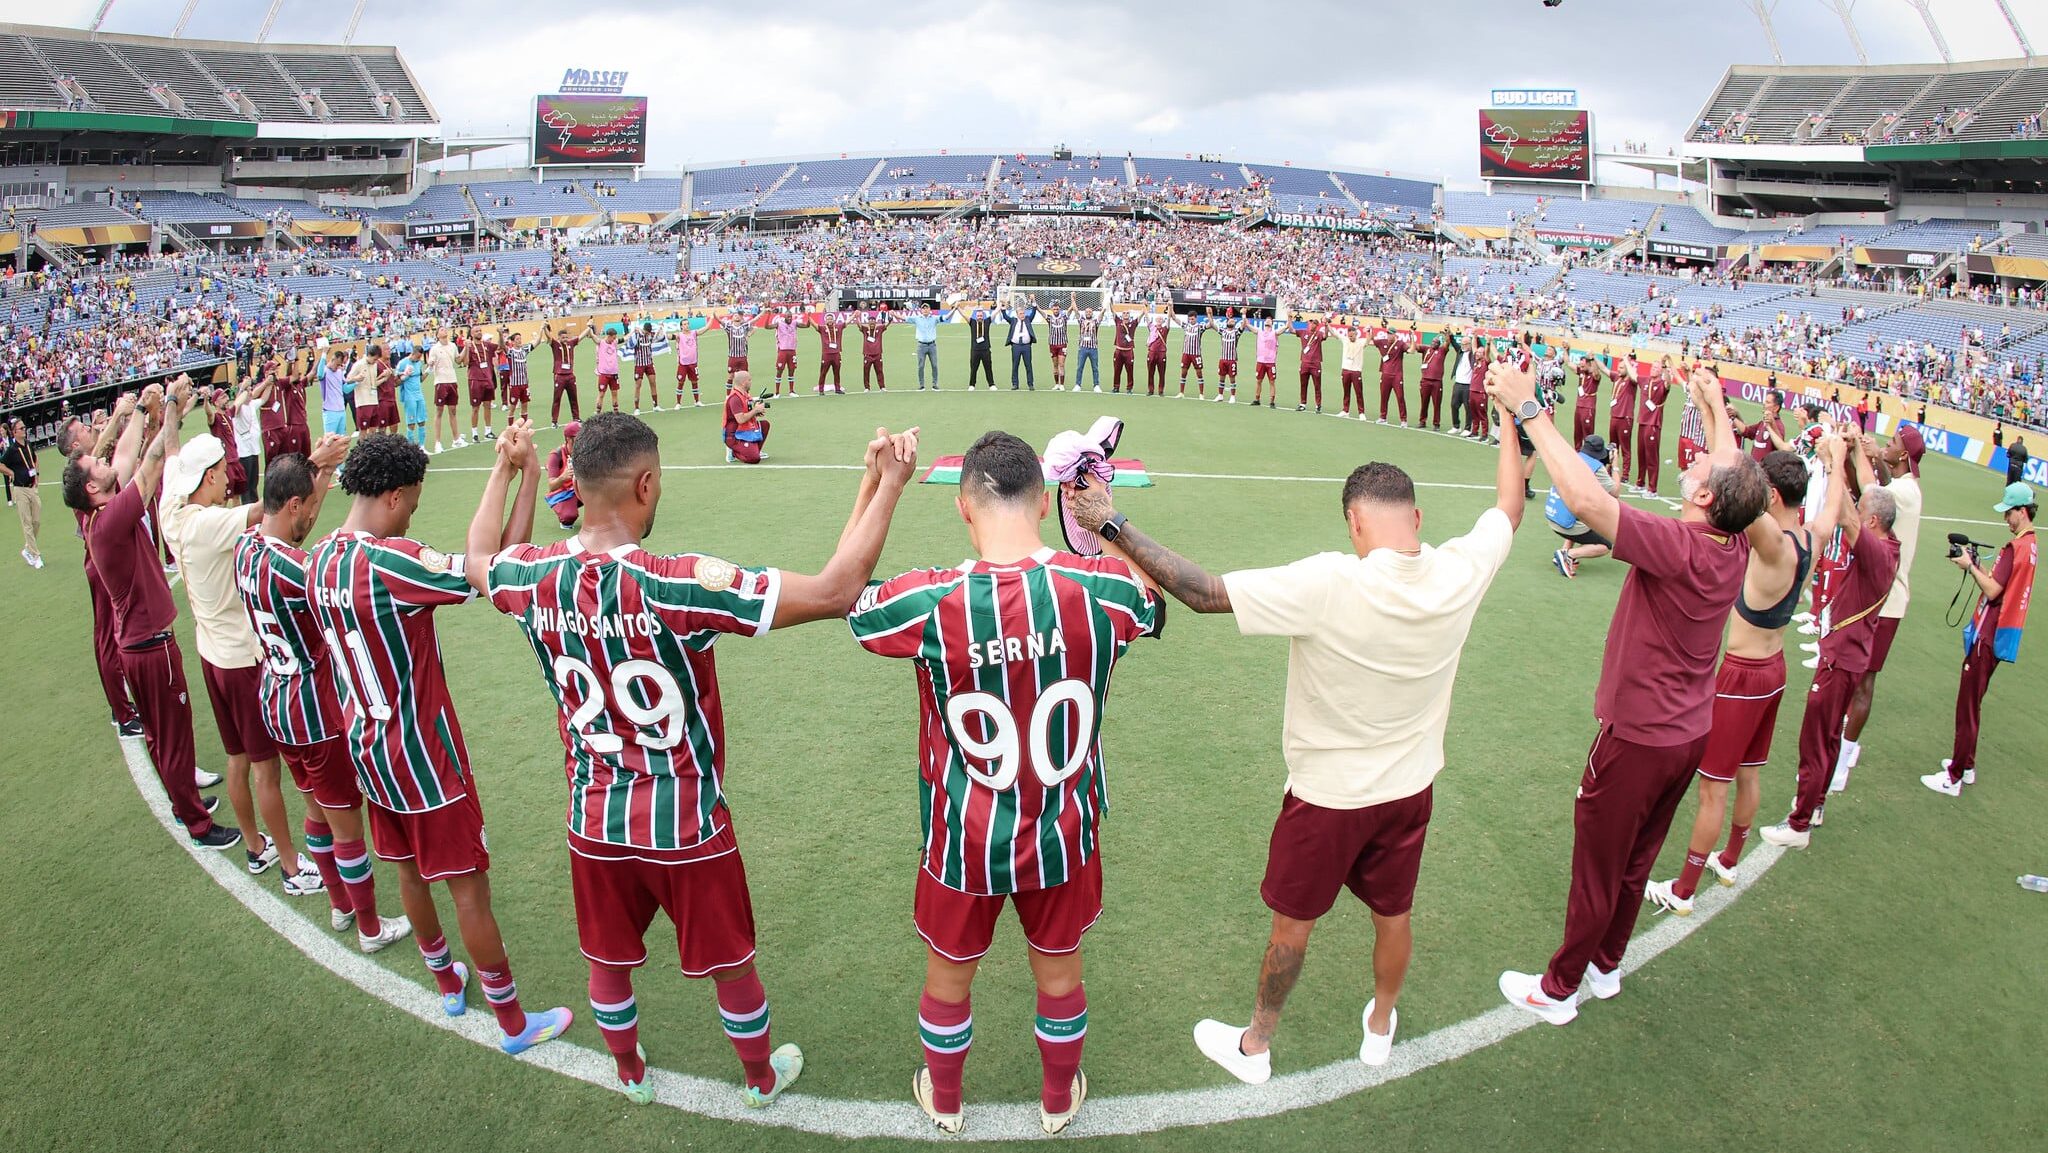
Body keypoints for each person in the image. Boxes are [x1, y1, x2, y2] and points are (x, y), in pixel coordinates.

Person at [473, 412, 920, 1105]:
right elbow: (836, 590)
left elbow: (482, 559)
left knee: (607, 959)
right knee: (731, 962)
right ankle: (759, 1076)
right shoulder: (679, 582)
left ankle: (629, 1071)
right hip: (685, 825)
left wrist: (514, 470)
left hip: (593, 819)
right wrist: (888, 481)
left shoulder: (530, 575)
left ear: (579, 483)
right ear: (646, 483)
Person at [1073, 407, 1524, 1085]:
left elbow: (1202, 593)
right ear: (1418, 518)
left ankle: (1257, 1044)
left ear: (1354, 522)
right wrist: (1516, 418)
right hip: (1410, 791)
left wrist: (1111, 522)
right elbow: (1509, 505)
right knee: (1393, 914)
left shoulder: (1331, 581)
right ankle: (1380, 1025)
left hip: (1328, 799)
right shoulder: (1461, 569)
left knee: (1293, 926)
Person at [848, 431, 1164, 1136]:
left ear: (964, 507)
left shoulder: (931, 597)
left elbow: (846, 593)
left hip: (966, 838)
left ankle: (949, 1099)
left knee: (949, 978)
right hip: (1062, 835)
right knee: (1059, 975)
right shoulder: (1102, 590)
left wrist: (879, 485)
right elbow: (1149, 599)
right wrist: (1103, 522)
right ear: (1049, 507)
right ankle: (1057, 1102)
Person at [1491, 362, 1768, 1025]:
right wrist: (1712, 402)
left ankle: (1559, 990)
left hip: (1639, 737)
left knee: (1598, 860)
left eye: (1701, 464)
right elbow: (1731, 468)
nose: (1697, 457)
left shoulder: (1679, 544)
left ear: (1705, 498)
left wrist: (1530, 410)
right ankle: (1606, 963)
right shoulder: (1729, 540)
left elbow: (1586, 502)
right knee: (1638, 855)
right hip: (1685, 733)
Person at [305, 432, 574, 1055]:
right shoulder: (392, 561)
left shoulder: (318, 559)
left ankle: (446, 980)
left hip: (367, 750)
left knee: (408, 874)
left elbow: (495, 560)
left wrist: (525, 476)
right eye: (415, 503)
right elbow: (488, 567)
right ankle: (512, 1023)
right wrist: (506, 473)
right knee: (468, 889)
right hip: (424, 757)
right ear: (395, 496)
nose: (415, 515)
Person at [235, 445, 412, 952]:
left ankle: (338, 904)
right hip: (314, 709)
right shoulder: (297, 568)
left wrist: (322, 469)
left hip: (274, 697)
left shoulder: (246, 547)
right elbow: (335, 590)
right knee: (344, 822)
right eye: (309, 508)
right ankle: (371, 927)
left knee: (315, 808)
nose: (313, 517)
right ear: (292, 505)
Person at [63, 378, 240, 850]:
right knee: (174, 736)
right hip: (150, 646)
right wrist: (166, 411)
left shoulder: (94, 514)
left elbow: (122, 459)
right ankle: (197, 822)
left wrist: (144, 410)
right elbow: (150, 463)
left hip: (137, 643)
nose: (104, 461)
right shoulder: (114, 518)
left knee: (164, 738)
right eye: (95, 464)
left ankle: (184, 803)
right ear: (92, 486)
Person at [1644, 445, 1810, 914]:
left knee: (1713, 787)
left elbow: (1736, 490)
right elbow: (1834, 500)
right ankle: (1730, 858)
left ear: (1770, 494)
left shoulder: (1772, 543)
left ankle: (1683, 891)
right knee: (1750, 772)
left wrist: (1717, 412)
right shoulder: (1810, 538)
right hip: (1774, 669)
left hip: (1743, 675)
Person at [164, 432, 330, 891]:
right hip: (240, 658)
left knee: (237, 759)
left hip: (210, 653)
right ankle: (292, 867)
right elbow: (270, 512)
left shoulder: (173, 517)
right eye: (220, 472)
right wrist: (313, 463)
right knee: (264, 768)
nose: (226, 479)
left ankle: (257, 846)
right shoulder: (208, 523)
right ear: (209, 476)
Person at [1760, 434, 1899, 849]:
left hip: (1841, 655)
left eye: (1863, 510)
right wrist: (1854, 453)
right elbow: (1863, 501)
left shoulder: (1875, 551)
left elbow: (1847, 516)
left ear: (1873, 521)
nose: (1855, 509)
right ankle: (1815, 805)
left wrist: (1836, 459)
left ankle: (1799, 822)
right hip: (1850, 652)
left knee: (1815, 738)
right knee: (1829, 736)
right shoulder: (1888, 544)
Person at [1923, 481, 2036, 796]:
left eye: (2009, 513)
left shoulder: (2017, 548)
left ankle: (1954, 777)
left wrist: (1970, 567)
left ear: (2022, 511)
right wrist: (1979, 565)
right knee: (1973, 701)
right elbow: (2001, 582)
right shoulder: (2029, 545)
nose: (2006, 519)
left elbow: (1993, 590)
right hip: (2001, 631)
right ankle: (1966, 766)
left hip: (1990, 632)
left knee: (1968, 705)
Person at [1837, 426, 1924, 790]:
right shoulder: (1906, 486)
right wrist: (1871, 454)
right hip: (1882, 595)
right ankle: (1844, 745)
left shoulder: (1902, 492)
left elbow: (1872, 491)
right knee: (1856, 676)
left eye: (1891, 444)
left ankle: (1843, 757)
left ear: (1903, 455)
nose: (1885, 445)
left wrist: (1860, 450)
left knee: (1862, 680)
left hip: (1886, 600)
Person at [61, 412, 143, 736]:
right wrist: (125, 411)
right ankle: (122, 713)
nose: (88, 428)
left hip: (101, 558)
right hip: (100, 562)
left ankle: (119, 705)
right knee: (108, 637)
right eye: (82, 429)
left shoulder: (84, 471)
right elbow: (108, 442)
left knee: (109, 635)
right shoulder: (81, 471)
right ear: (77, 445)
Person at [1548, 435, 1623, 579]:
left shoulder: (1572, 458)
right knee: (1605, 545)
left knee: (1583, 509)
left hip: (1553, 515)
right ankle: (1568, 554)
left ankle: (1564, 550)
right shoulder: (1596, 468)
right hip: (1566, 524)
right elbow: (1615, 491)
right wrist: (1615, 466)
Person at [2, 419, 42, 568]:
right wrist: (11, 472)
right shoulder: (12, 450)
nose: (24, 430)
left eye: (25, 427)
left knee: (36, 521)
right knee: (27, 523)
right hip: (20, 489)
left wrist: (36, 474)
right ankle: (36, 555)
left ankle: (27, 549)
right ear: (15, 432)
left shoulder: (28, 445)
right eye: (21, 428)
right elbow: (1, 463)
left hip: (32, 487)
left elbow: (35, 459)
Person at [1632, 360, 1674, 494]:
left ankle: (1652, 488)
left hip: (1653, 423)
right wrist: (1627, 360)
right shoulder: (1646, 380)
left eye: (1657, 368)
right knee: (1641, 454)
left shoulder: (1662, 384)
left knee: (1651, 457)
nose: (1653, 369)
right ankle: (1640, 483)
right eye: (1653, 366)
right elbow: (1634, 376)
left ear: (1661, 370)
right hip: (1643, 422)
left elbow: (1668, 382)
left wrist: (1666, 367)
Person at [543, 321, 585, 429]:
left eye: (566, 337)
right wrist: (544, 328)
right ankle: (554, 421)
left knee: (574, 398)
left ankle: (576, 418)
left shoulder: (571, 344)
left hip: (570, 375)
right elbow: (549, 337)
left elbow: (581, 336)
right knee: (557, 399)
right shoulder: (556, 345)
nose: (565, 339)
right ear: (559, 338)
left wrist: (589, 327)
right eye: (563, 337)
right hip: (560, 376)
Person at [724, 372, 770, 464]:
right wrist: (755, 410)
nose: (751, 382)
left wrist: (756, 412)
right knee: (754, 459)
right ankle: (733, 451)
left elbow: (746, 413)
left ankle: (754, 450)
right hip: (734, 434)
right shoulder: (735, 398)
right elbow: (740, 419)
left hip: (745, 430)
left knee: (764, 425)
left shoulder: (745, 394)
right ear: (743, 383)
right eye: (749, 380)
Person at [1606, 351, 1639, 482]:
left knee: (1625, 448)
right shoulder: (1617, 379)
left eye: (1621, 368)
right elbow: (1605, 370)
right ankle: (1610, 468)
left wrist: (1626, 360)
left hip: (1625, 417)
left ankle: (1625, 474)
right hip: (1614, 416)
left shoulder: (1631, 381)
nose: (1618, 370)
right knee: (1613, 446)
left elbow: (1633, 375)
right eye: (1618, 367)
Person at [426, 329, 461, 452]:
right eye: (441, 330)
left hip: (452, 380)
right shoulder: (434, 348)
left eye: (444, 329)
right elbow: (430, 363)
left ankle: (456, 439)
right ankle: (437, 442)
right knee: (439, 411)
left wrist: (466, 348)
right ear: (437, 335)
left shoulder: (452, 345)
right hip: (441, 381)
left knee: (453, 410)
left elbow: (458, 360)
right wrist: (430, 364)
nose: (444, 330)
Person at [462, 330, 499, 442]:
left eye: (480, 331)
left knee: (487, 405)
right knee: (475, 407)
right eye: (476, 331)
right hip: (475, 379)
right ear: (472, 334)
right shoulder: (470, 346)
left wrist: (501, 334)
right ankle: (474, 434)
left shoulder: (487, 345)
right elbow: (465, 362)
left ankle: (488, 431)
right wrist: (467, 348)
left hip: (487, 378)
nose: (479, 332)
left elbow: (500, 346)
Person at [1372, 322, 1411, 425]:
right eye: (1388, 333)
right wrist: (1370, 330)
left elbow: (1411, 351)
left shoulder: (1400, 344)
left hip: (1397, 375)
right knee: (1384, 397)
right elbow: (1372, 340)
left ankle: (1403, 420)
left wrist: (1412, 338)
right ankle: (1383, 417)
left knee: (1400, 397)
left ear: (1395, 335)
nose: (1389, 335)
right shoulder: (1382, 342)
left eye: (1391, 334)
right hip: (1385, 374)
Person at [545, 422, 582, 528]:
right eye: (577, 437)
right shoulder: (556, 455)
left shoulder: (585, 451)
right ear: (568, 439)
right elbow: (552, 486)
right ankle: (564, 513)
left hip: (581, 488)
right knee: (568, 517)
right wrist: (563, 477)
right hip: (563, 493)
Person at [1001, 298, 1039, 391]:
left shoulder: (1028, 319)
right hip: (1016, 346)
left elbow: (1034, 311)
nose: (1023, 315)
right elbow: (1005, 316)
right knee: (1015, 365)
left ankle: (1030, 384)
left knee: (1028, 365)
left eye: (1023, 313)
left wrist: (1033, 301)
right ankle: (1015, 384)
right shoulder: (1013, 321)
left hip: (1026, 346)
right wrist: (1003, 306)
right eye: (1021, 314)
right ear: (1017, 315)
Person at [1334, 321, 1369, 419]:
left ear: (1356, 334)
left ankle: (1361, 413)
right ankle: (1345, 410)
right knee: (1346, 391)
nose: (1350, 338)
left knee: (1358, 392)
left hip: (1356, 370)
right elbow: (1334, 333)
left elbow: (1368, 340)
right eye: (1349, 336)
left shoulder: (1361, 342)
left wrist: (1369, 331)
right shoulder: (1345, 340)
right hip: (1345, 369)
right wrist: (1327, 324)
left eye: (1352, 336)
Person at [1417, 328, 1450, 430]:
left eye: (1436, 342)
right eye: (1432, 342)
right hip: (1425, 380)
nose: (1433, 343)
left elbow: (1447, 342)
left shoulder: (1442, 351)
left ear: (1439, 344)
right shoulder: (1426, 349)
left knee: (1436, 404)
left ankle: (1436, 423)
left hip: (1437, 381)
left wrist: (1446, 334)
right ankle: (1422, 421)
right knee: (1424, 402)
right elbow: (1416, 347)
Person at [1572, 351, 1605, 448]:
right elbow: (1569, 364)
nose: (1580, 367)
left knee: (1588, 434)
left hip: (1588, 407)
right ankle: (1577, 453)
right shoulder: (1582, 373)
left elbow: (1596, 372)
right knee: (1577, 433)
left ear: (1588, 364)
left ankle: (1588, 454)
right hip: (1579, 406)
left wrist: (1592, 358)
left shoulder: (1595, 376)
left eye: (1583, 365)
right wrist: (1566, 350)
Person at [319, 349, 351, 440]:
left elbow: (345, 389)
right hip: (330, 411)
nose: (338, 367)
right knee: (330, 440)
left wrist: (356, 382)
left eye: (340, 365)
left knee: (341, 440)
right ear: (333, 359)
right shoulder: (325, 371)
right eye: (337, 364)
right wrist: (324, 354)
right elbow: (319, 374)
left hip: (341, 410)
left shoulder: (339, 372)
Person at [1296, 317, 1327, 412]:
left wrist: (1326, 325)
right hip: (1304, 363)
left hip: (1315, 363)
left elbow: (1325, 336)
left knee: (1317, 385)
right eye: (1310, 323)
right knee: (1303, 385)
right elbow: (1292, 330)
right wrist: (1289, 318)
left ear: (1316, 325)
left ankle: (1318, 405)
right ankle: (1302, 403)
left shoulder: (1319, 334)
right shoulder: (1303, 332)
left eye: (1313, 323)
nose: (1311, 325)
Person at [674, 314, 703, 407]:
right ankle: (678, 403)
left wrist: (711, 319)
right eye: (684, 324)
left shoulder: (693, 333)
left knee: (695, 382)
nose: (686, 325)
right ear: (681, 326)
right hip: (683, 363)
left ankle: (697, 401)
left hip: (693, 363)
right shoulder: (679, 335)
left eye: (687, 323)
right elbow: (671, 336)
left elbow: (704, 329)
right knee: (681, 382)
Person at [1176, 308, 1206, 397]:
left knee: (1199, 373)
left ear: (1196, 318)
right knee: (1183, 373)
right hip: (1186, 353)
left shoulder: (1200, 327)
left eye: (1192, 319)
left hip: (1196, 354)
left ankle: (1201, 394)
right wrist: (1170, 306)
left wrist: (1209, 314)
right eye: (1189, 319)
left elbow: (1210, 325)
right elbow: (1174, 318)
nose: (1191, 320)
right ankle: (1181, 392)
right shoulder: (1186, 326)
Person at [912, 304, 943, 390]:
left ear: (930, 309)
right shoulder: (917, 318)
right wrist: (894, 314)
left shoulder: (934, 318)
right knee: (921, 366)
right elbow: (904, 318)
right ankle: (921, 385)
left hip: (932, 345)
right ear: (921, 310)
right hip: (921, 345)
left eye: (927, 308)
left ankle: (935, 384)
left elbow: (945, 317)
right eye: (923, 308)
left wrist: (954, 310)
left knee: (934, 365)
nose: (925, 310)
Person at [816, 309, 847, 395]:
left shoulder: (838, 327)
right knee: (823, 372)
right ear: (825, 321)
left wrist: (854, 315)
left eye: (831, 319)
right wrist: (809, 316)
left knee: (837, 372)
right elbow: (814, 325)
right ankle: (821, 390)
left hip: (836, 353)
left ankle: (837, 388)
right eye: (828, 319)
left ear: (834, 320)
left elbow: (846, 322)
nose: (829, 320)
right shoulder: (822, 328)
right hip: (826, 354)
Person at [593, 328, 623, 415]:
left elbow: (624, 339)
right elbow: (593, 337)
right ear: (609, 336)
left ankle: (616, 412)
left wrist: (632, 332)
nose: (614, 339)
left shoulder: (614, 342)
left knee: (615, 393)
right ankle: (598, 412)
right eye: (613, 337)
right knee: (601, 393)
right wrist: (589, 329)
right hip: (604, 373)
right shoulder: (601, 343)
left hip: (614, 373)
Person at [1213, 309, 1241, 403]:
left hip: (1231, 359)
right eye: (1230, 320)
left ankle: (1233, 396)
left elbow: (1244, 325)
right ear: (1227, 322)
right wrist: (1209, 314)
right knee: (1221, 377)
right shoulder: (1223, 331)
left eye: (1233, 321)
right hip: (1223, 359)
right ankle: (1220, 395)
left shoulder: (1236, 333)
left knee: (1232, 378)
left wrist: (1244, 314)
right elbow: (1213, 325)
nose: (1232, 321)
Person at [1252, 317, 1279, 408]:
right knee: (1259, 381)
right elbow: (1248, 325)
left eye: (1270, 320)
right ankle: (1257, 399)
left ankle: (1272, 401)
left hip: (1270, 362)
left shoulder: (1274, 333)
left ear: (1272, 323)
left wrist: (1289, 317)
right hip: (1260, 361)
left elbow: (1286, 327)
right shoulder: (1259, 332)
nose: (1267, 321)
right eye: (1266, 320)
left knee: (1272, 382)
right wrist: (1244, 315)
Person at [1110, 309, 1139, 395]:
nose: (1126, 314)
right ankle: (1116, 387)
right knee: (1117, 370)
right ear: (1121, 315)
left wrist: (1144, 306)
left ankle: (1129, 388)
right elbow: (1112, 311)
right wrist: (1110, 300)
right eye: (1124, 313)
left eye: (1127, 313)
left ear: (1129, 315)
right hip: (1119, 350)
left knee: (1130, 371)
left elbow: (1140, 316)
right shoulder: (1118, 321)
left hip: (1128, 351)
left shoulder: (1133, 324)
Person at [1144, 308, 1171, 397]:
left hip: (1161, 353)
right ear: (1155, 320)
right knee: (1150, 372)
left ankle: (1161, 390)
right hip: (1152, 352)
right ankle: (1150, 390)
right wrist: (1144, 307)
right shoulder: (1152, 328)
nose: (1159, 320)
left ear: (1163, 321)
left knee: (1162, 373)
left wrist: (1170, 307)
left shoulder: (1165, 329)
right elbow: (1147, 317)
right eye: (1158, 319)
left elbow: (1169, 318)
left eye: (1161, 319)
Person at [966, 308, 995, 390]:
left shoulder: (987, 322)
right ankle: (972, 385)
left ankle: (991, 384)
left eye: (981, 315)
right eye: (978, 315)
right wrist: (958, 308)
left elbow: (994, 313)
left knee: (988, 368)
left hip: (986, 349)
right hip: (975, 350)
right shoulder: (972, 322)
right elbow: (964, 316)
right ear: (976, 316)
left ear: (983, 316)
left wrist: (1000, 305)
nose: (979, 317)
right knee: (973, 368)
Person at [860, 311, 889, 391]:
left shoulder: (879, 328)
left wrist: (890, 320)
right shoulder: (865, 329)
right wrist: (857, 317)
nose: (872, 323)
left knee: (879, 371)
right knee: (866, 371)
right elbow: (859, 325)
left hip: (877, 353)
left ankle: (882, 387)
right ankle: (867, 387)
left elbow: (886, 324)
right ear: (868, 322)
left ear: (875, 322)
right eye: (870, 321)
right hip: (867, 354)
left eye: (873, 321)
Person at [720, 311, 751, 384]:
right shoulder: (729, 327)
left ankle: (745, 394)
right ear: (732, 319)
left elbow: (754, 323)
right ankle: (728, 395)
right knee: (731, 376)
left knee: (745, 376)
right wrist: (714, 315)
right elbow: (720, 321)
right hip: (733, 356)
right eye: (735, 315)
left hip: (743, 356)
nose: (737, 316)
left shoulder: (744, 326)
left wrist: (763, 312)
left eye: (738, 315)